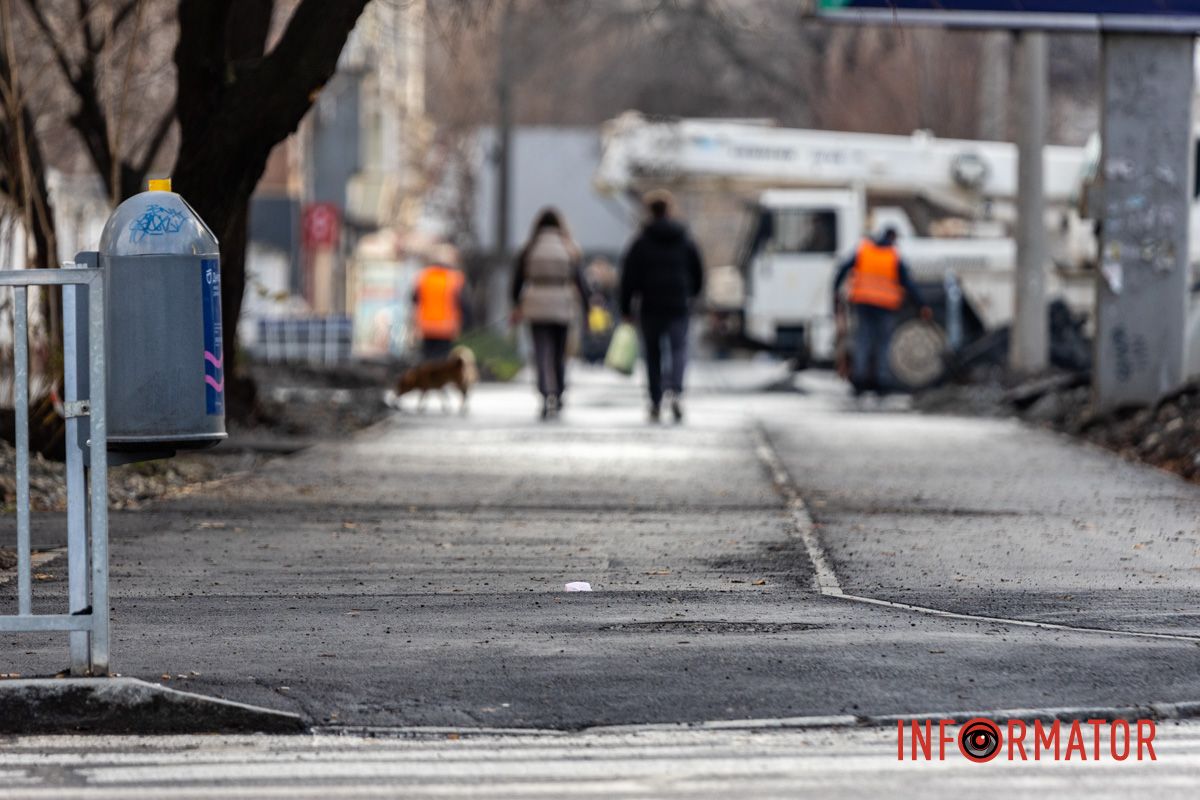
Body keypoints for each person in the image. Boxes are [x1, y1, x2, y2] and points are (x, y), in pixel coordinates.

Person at [619, 190, 704, 423]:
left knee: (653, 354)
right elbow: (698, 271)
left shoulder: (640, 241)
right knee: (678, 349)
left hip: (650, 305)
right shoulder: (684, 239)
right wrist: (692, 294)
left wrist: (626, 308)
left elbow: (628, 277)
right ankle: (675, 391)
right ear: (669, 210)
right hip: (678, 303)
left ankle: (655, 401)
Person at [831, 227, 933, 395]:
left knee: (863, 340)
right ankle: (881, 381)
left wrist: (836, 290)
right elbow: (909, 284)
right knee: (883, 343)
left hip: (863, 303)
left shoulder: (864, 251)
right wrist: (922, 305)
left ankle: (859, 380)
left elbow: (842, 269)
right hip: (884, 306)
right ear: (892, 238)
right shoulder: (893, 257)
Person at [511, 208, 589, 419]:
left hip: (535, 304)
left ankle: (546, 393)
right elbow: (581, 281)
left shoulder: (530, 248)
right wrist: (588, 305)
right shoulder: (569, 248)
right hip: (563, 303)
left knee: (541, 351)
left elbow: (518, 281)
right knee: (559, 353)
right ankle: (559, 393)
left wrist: (516, 304)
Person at [413, 244, 469, 361]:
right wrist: (466, 326)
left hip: (426, 327)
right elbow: (464, 305)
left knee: (428, 359)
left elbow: (414, 300)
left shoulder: (423, 276)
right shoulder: (454, 278)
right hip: (446, 328)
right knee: (442, 360)